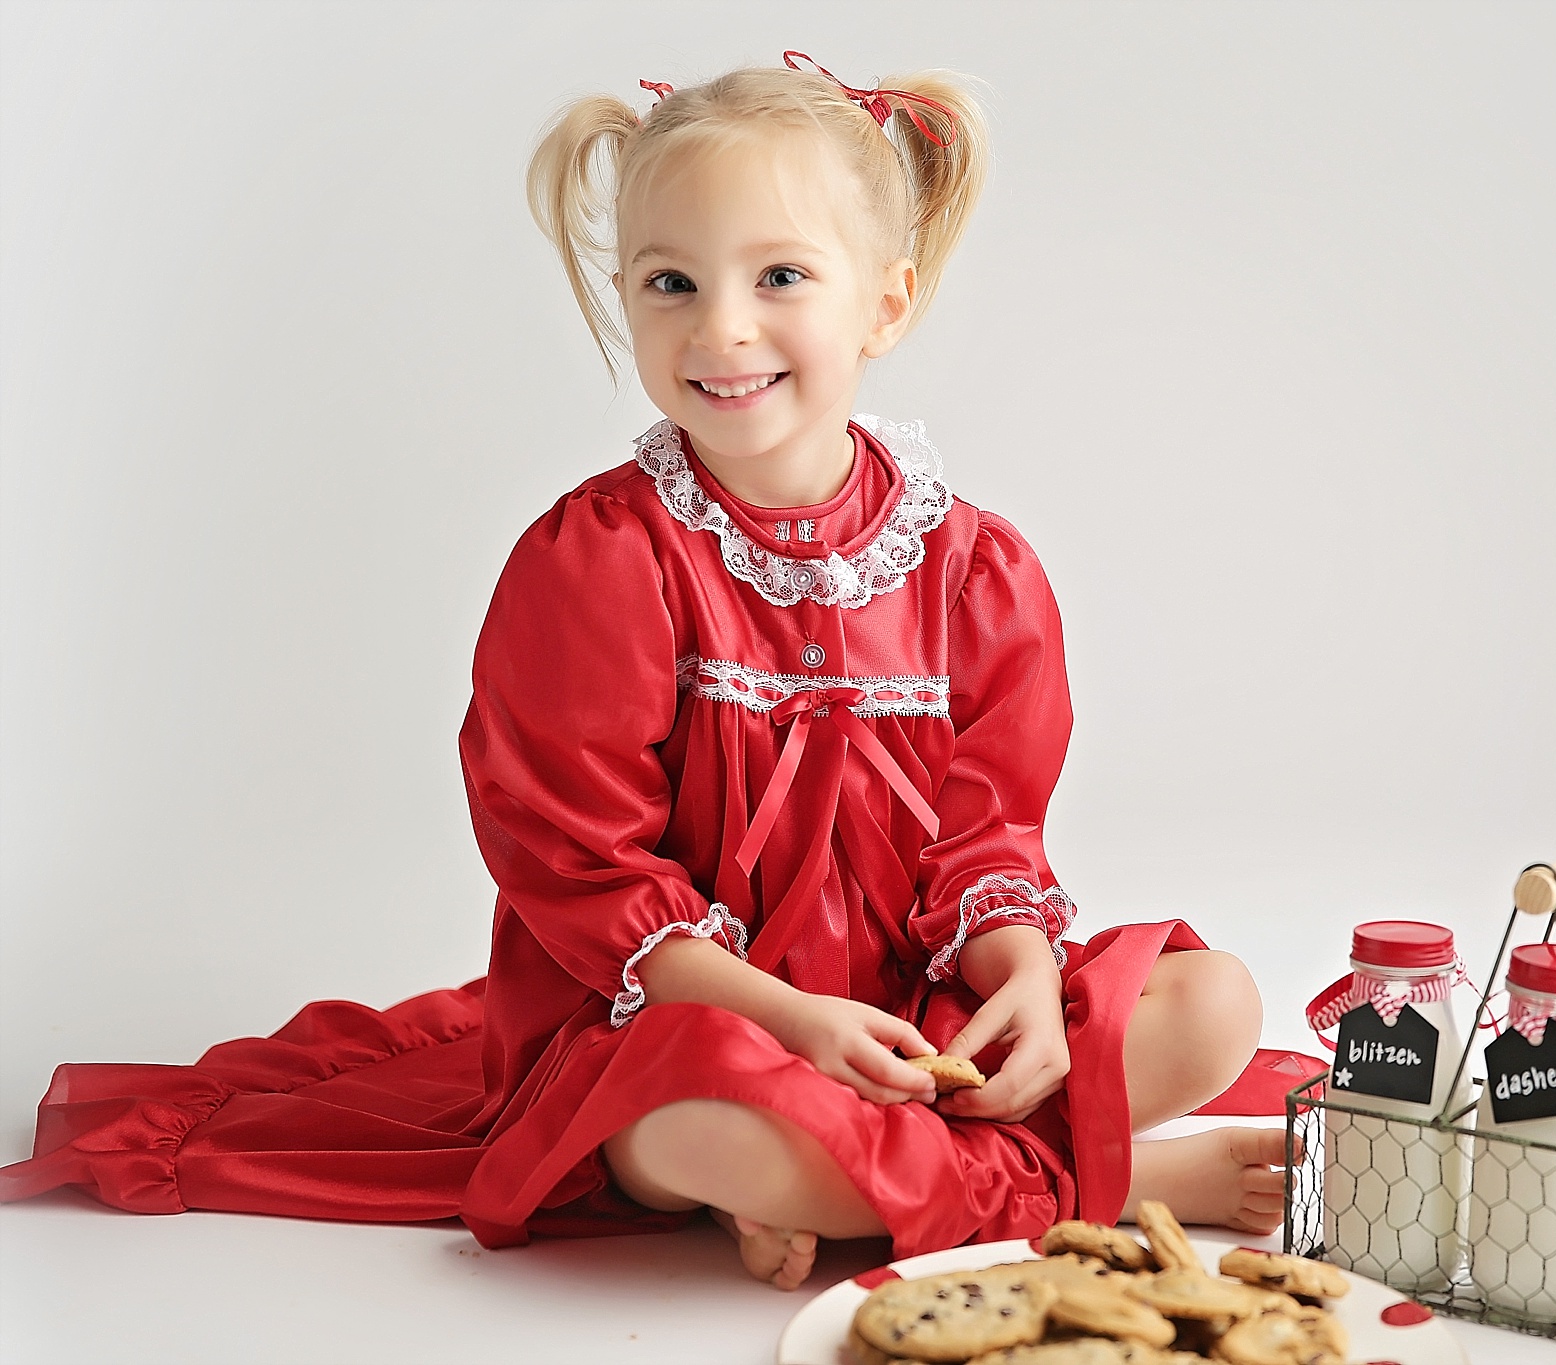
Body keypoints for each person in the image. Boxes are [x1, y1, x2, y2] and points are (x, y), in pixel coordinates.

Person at [0, 54, 1309, 1292]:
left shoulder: (975, 572)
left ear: (886, 302)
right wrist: (790, 1022)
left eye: (780, 275)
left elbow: (986, 834)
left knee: (1212, 1005)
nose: (723, 329)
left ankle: (850, 1172)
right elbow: (588, 874)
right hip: (697, 1022)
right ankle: (1104, 1176)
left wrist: (1019, 967)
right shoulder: (600, 564)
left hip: (908, 1021)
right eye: (670, 283)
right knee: (689, 1125)